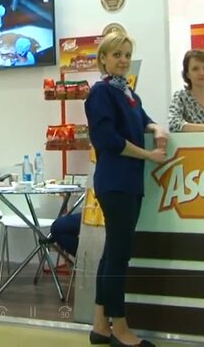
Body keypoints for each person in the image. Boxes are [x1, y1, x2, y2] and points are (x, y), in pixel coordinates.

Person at [84, 32, 166, 347]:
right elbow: (108, 140)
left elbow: (143, 120)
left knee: (113, 253)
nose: (123, 60)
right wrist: (148, 155)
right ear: (103, 58)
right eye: (117, 54)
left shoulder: (128, 93)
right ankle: (119, 328)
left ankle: (99, 326)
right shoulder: (101, 93)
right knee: (120, 255)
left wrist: (156, 127)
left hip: (129, 182)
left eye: (127, 55)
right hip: (115, 182)